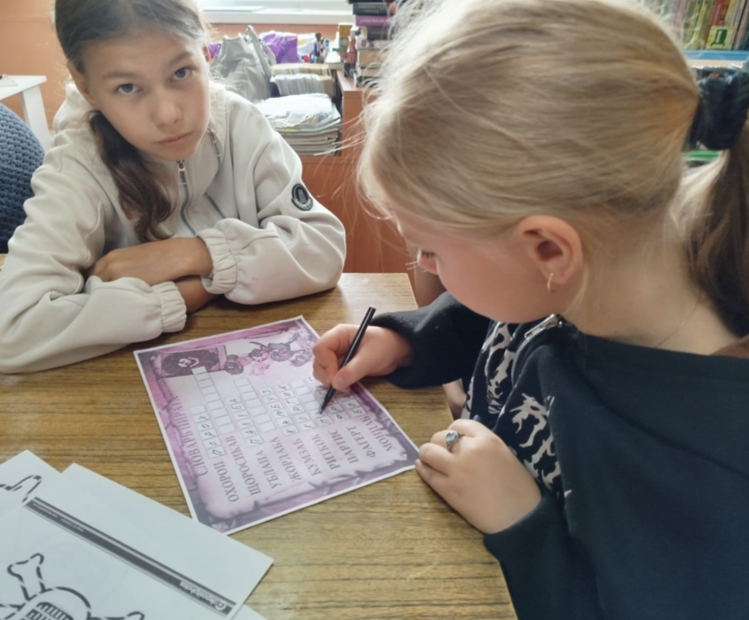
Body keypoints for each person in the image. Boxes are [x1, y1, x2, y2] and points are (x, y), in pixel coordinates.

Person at [312, 0, 749, 617]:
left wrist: (523, 522)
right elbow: (498, 315)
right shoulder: (590, 272)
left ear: (548, 248)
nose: (424, 264)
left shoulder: (704, 470)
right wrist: (408, 340)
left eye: (431, 250)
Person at [0, 0, 346, 374]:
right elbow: (12, 329)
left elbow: (323, 248)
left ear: (205, 53)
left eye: (181, 72)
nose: (168, 115)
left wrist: (195, 255)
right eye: (127, 87)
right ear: (86, 86)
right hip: (125, 389)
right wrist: (181, 296)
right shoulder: (77, 166)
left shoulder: (242, 124)